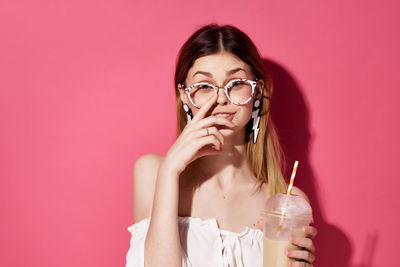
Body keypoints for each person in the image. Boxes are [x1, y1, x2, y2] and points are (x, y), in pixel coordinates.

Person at [125, 24, 317, 267]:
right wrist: (171, 168)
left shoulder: (287, 201)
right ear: (185, 96)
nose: (221, 98)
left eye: (236, 83)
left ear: (257, 90)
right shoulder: (154, 172)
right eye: (204, 87)